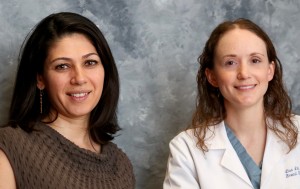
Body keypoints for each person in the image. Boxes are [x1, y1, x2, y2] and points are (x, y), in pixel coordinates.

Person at [0, 12, 135, 189]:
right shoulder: (10, 147)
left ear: (105, 70)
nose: (79, 78)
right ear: (40, 79)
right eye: (62, 66)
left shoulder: (121, 165)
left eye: (90, 63)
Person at [163, 18, 300, 189]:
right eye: (230, 63)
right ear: (212, 76)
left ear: (270, 71)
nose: (244, 73)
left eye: (255, 60)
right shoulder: (186, 150)